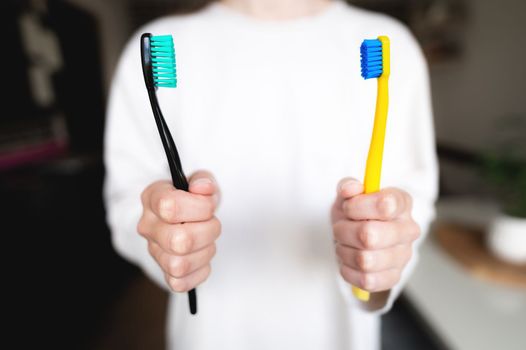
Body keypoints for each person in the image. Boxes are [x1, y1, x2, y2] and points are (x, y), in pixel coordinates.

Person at [103, 0, 438, 349]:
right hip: (208, 335)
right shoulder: (160, 41)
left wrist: (379, 256)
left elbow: (412, 198)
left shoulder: (392, 44)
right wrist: (167, 232)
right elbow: (127, 202)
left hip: (339, 334)